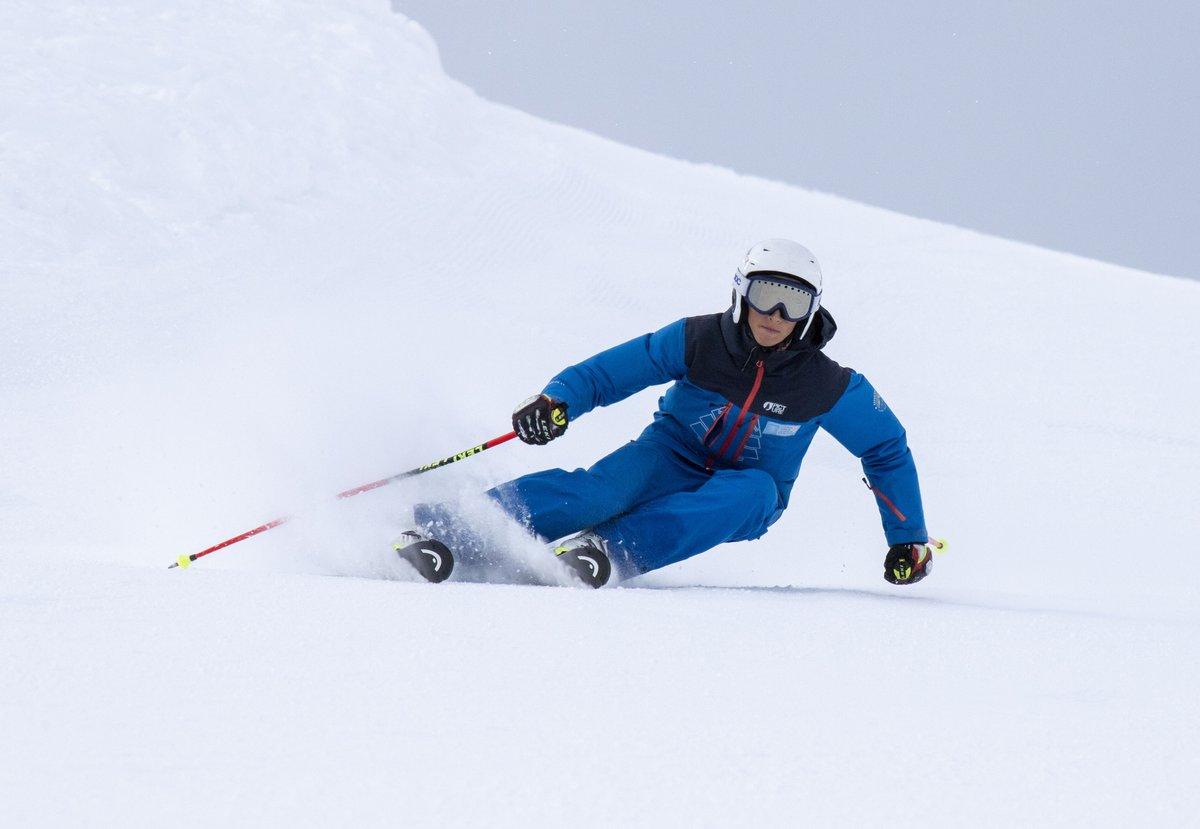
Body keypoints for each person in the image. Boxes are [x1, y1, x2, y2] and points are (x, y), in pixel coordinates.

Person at [395, 239, 932, 588]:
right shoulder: (700, 340)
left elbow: (884, 446)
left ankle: (608, 549)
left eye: (794, 302)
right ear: (741, 293)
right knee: (598, 493)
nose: (776, 314)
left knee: (752, 492)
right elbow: (612, 373)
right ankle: (441, 529)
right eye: (767, 294)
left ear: (811, 311)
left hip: (752, 485)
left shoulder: (828, 383)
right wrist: (557, 402)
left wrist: (908, 537)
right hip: (668, 453)